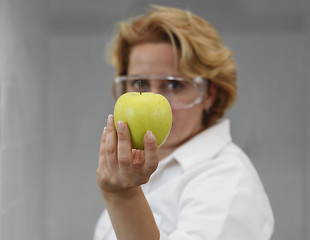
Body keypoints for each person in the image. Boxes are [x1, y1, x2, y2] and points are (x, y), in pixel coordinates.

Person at [94, 5, 274, 240]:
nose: (157, 99)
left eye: (174, 85)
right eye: (140, 83)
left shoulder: (228, 181)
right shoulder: (145, 172)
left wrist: (123, 197)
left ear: (209, 93)